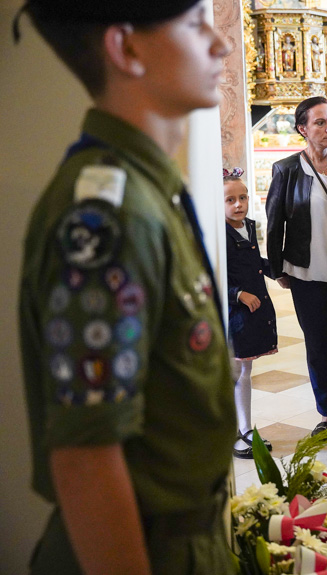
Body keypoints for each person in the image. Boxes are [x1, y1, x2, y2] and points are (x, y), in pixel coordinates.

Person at [16, 1, 236, 573]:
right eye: (193, 25)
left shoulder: (146, 193)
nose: (221, 45)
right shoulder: (107, 218)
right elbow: (88, 457)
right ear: (126, 48)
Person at [265, 97, 327, 441]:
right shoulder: (288, 169)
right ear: (302, 129)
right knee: (318, 345)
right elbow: (274, 221)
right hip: (306, 274)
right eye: (320, 123)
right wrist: (277, 266)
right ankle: (326, 415)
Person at [224, 169, 277, 458]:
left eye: (242, 197)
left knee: (245, 370)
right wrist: (237, 294)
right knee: (236, 372)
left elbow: (255, 262)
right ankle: (235, 431)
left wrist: (276, 273)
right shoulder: (221, 232)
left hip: (253, 313)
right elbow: (215, 273)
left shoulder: (249, 226)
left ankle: (245, 428)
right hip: (235, 314)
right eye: (230, 199)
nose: (238, 204)